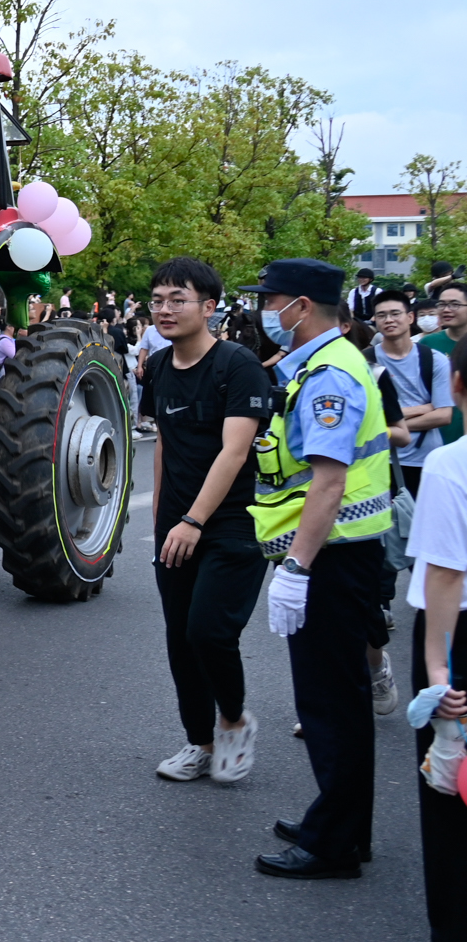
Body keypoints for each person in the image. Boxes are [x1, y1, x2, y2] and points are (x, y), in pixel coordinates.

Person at [244, 258, 393, 879]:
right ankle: (342, 824)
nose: (263, 312)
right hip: (346, 555)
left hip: (332, 558)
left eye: (270, 300)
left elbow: (328, 485)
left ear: (301, 306)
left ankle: (333, 844)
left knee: (331, 703)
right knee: (342, 700)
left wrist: (297, 569)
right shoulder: (330, 363)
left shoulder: (330, 375)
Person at [144, 258, 275, 786]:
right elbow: (163, 446)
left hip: (232, 524)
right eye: (157, 300)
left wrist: (193, 520)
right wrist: (160, 517)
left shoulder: (237, 364)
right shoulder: (156, 366)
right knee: (180, 638)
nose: (165, 309)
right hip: (176, 525)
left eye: (178, 299)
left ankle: (235, 720)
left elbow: (235, 451)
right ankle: (199, 741)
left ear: (209, 307)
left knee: (209, 632)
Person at [403, 339, 467, 940]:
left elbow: (447, 572)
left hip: (456, 633)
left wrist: (438, 675)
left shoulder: (451, 463)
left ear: (457, 387)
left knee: (450, 785)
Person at [372, 288, 454, 498]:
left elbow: (444, 415)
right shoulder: (366, 360)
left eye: (395, 313)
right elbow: (365, 414)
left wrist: (392, 427)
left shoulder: (434, 359)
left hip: (424, 459)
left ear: (410, 317)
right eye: (382, 315)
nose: (388, 320)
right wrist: (424, 408)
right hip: (379, 459)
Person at [424, 281, 466, 448]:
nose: (446, 309)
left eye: (455, 304)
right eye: (442, 304)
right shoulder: (428, 344)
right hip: (437, 435)